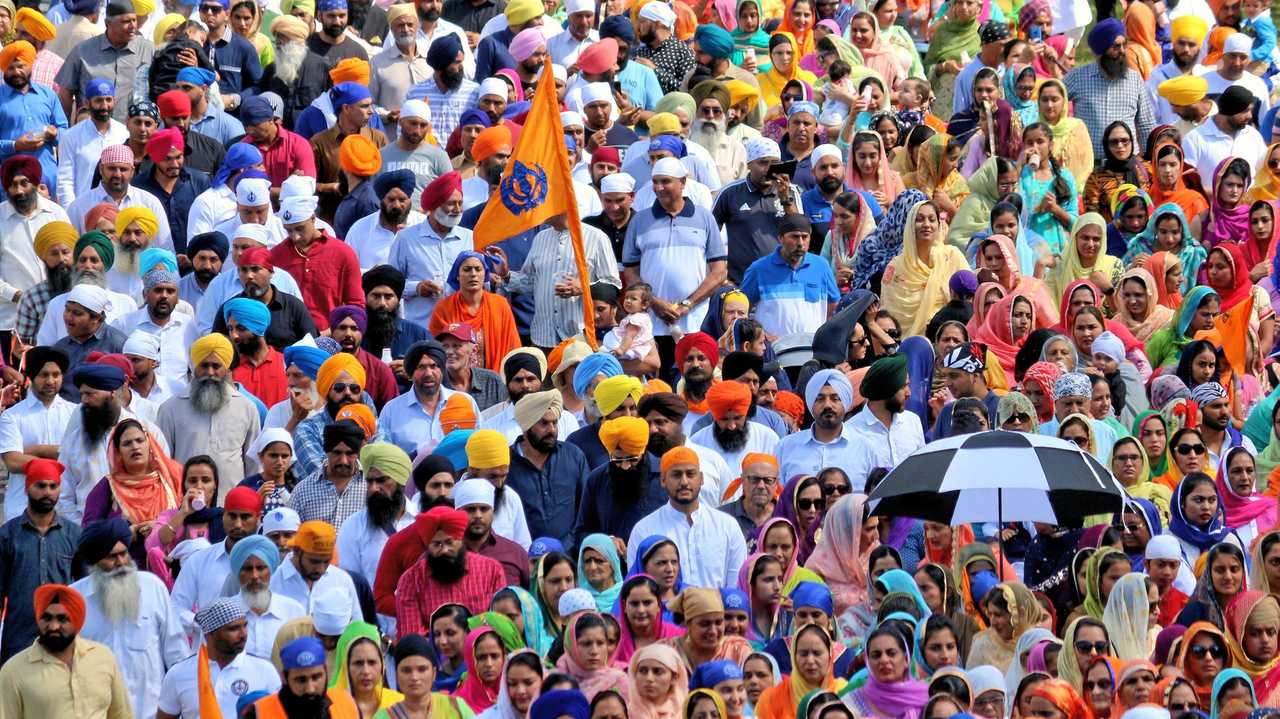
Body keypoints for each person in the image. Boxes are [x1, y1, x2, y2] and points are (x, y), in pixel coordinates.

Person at [69, 517, 188, 719]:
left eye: (124, 554)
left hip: (151, 713)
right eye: (111, 557)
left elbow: (177, 654)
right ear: (94, 562)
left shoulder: (153, 587)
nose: (121, 563)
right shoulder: (74, 600)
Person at [0, 584, 131, 718]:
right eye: (47, 618)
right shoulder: (13, 672)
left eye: (62, 619)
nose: (53, 626)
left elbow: (121, 715)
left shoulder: (103, 658)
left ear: (77, 621)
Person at [156, 333, 262, 496]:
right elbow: (163, 463)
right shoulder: (170, 409)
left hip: (231, 507)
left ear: (226, 369)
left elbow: (253, 463)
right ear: (194, 367)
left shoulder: (246, 407)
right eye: (204, 365)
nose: (210, 372)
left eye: (216, 366)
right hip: (185, 505)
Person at [395, 505, 507, 638]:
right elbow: (413, 638)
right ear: (427, 546)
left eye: (449, 542)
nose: (444, 550)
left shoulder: (491, 570)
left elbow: (500, 626)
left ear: (461, 540)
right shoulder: (411, 580)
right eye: (436, 544)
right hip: (433, 656)